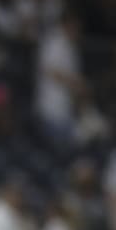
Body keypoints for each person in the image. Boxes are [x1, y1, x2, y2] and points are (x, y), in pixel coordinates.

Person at [34, 11, 83, 147]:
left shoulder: (72, 47)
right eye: (74, 26)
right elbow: (48, 70)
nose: (77, 31)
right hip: (51, 105)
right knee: (56, 147)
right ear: (66, 25)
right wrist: (74, 83)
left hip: (66, 107)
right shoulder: (54, 42)